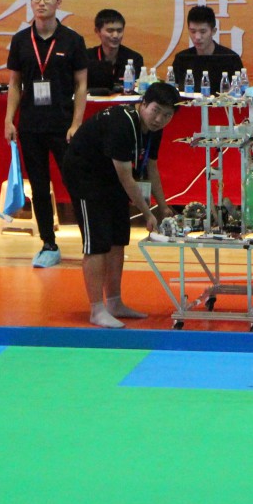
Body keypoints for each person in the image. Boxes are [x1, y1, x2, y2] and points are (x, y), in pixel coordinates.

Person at [62, 82, 177, 328]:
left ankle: (114, 302)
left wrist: (163, 206)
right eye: (155, 111)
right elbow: (127, 178)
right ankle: (96, 309)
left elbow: (152, 167)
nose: (159, 119)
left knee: (118, 238)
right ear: (143, 103)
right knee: (97, 243)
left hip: (109, 175)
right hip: (85, 175)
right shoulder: (122, 124)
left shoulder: (153, 129)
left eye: (167, 115)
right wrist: (147, 213)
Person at [4, 0, 87, 268]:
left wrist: (76, 123)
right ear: (31, 2)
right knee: (39, 187)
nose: (42, 3)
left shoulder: (72, 40)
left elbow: (81, 85)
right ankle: (48, 244)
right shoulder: (20, 40)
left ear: (59, 2)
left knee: (75, 182)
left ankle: (90, 241)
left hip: (63, 125)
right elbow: (14, 84)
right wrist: (9, 119)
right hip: (30, 125)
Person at [170, 5, 243, 90]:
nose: (197, 37)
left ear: (213, 31)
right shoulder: (181, 59)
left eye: (203, 32)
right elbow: (172, 92)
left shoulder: (231, 59)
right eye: (193, 31)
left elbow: (241, 93)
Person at [86, 9, 144, 94]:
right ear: (97, 31)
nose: (116, 35)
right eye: (110, 31)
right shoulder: (87, 57)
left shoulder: (135, 58)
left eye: (119, 31)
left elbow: (137, 91)